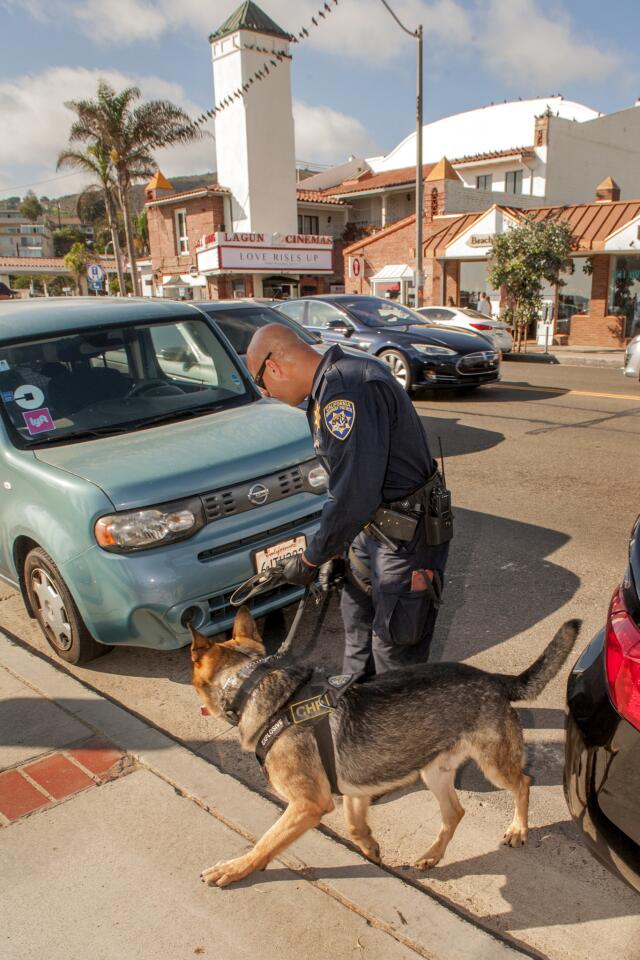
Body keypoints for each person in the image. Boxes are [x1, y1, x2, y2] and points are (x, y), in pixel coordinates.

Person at [246, 324, 451, 677]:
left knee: (395, 654)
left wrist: (312, 558)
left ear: (274, 367)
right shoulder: (328, 389)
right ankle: (356, 721)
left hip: (405, 539)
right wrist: (336, 548)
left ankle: (397, 731)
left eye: (261, 382)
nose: (266, 391)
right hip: (369, 533)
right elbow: (349, 484)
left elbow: (355, 493)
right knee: (357, 636)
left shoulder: (348, 390)